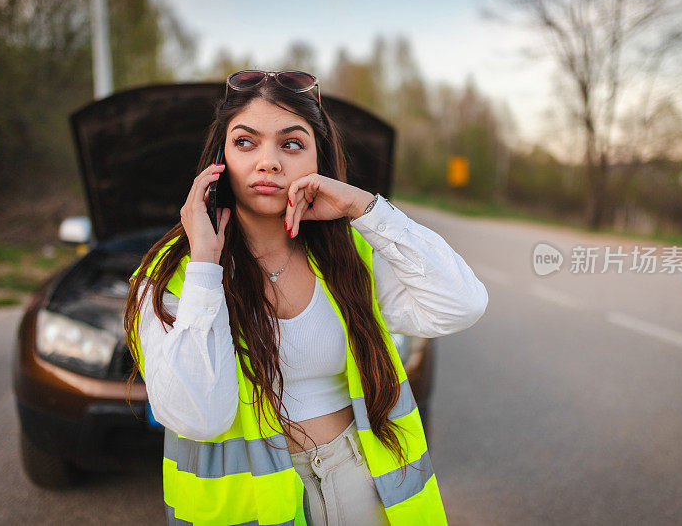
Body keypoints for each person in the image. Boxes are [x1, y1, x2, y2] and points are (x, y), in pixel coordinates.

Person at [123, 70, 488, 526]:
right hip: (253, 502)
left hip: (362, 480)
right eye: (246, 142)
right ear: (219, 158)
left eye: (291, 144)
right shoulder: (170, 277)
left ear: (318, 160)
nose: (269, 161)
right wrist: (205, 265)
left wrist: (365, 209)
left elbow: (462, 304)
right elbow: (200, 417)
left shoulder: (352, 256)